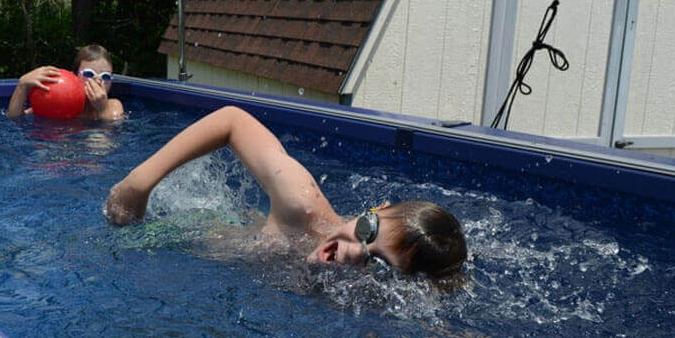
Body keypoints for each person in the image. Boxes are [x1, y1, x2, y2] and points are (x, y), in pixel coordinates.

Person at [104, 106, 467, 278]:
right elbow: (232, 121)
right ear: (375, 208)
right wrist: (138, 183)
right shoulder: (302, 207)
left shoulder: (367, 300)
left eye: (379, 264)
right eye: (367, 231)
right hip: (189, 235)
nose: (355, 251)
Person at [7, 44, 125, 121]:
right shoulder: (58, 102)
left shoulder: (113, 105)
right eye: (89, 74)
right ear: (74, 76)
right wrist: (22, 86)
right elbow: (15, 119)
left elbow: (109, 137)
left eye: (105, 76)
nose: (98, 81)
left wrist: (102, 109)